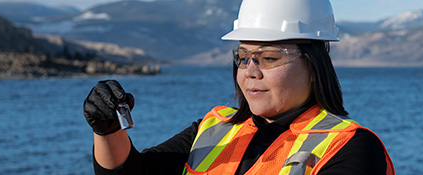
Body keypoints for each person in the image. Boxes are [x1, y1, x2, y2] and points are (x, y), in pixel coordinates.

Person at [83, 0, 395, 174]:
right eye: (243, 57)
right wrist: (108, 130)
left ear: (314, 66)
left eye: (269, 58)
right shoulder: (214, 129)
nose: (249, 72)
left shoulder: (351, 148)